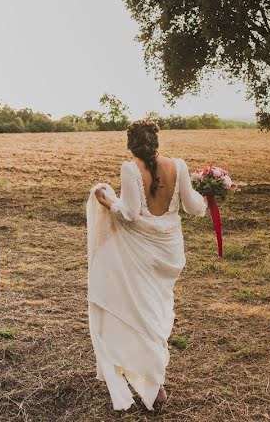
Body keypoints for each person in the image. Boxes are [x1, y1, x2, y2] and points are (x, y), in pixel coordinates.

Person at [86, 119, 207, 412]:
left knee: (141, 311)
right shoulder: (178, 165)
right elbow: (193, 208)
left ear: (131, 145)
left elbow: (128, 214)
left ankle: (154, 383)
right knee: (156, 308)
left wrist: (105, 201)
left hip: (141, 252)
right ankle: (154, 379)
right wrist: (207, 198)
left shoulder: (130, 169)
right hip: (168, 251)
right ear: (156, 141)